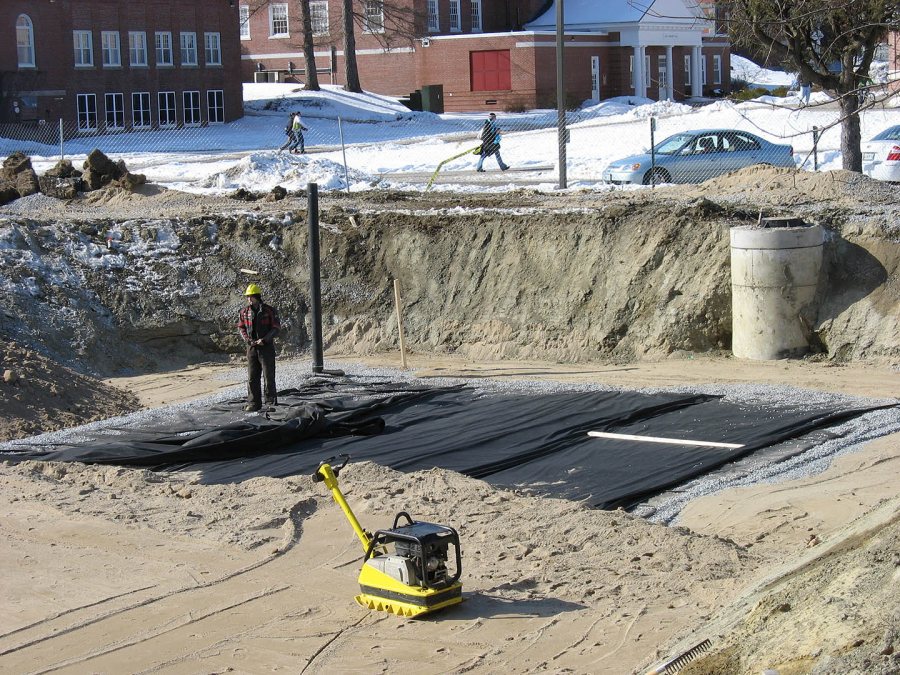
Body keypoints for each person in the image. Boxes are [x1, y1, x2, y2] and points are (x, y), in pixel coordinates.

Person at [237, 283, 281, 412]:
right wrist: (248, 340)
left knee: (268, 376)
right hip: (251, 348)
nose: (249, 299)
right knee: (252, 377)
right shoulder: (244, 312)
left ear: (257, 296)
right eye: (248, 297)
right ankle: (254, 402)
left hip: (266, 348)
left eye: (251, 296)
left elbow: (276, 327)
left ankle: (270, 402)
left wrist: (265, 339)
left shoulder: (269, 310)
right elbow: (241, 328)